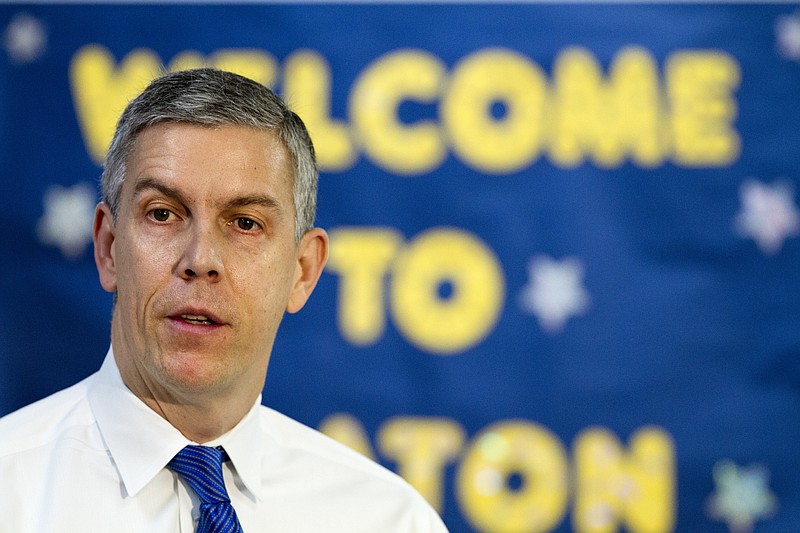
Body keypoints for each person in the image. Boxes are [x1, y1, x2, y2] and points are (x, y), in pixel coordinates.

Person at [0, 68, 448, 532]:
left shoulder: (389, 519)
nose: (200, 259)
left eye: (245, 223)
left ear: (303, 271)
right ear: (109, 247)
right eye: (163, 214)